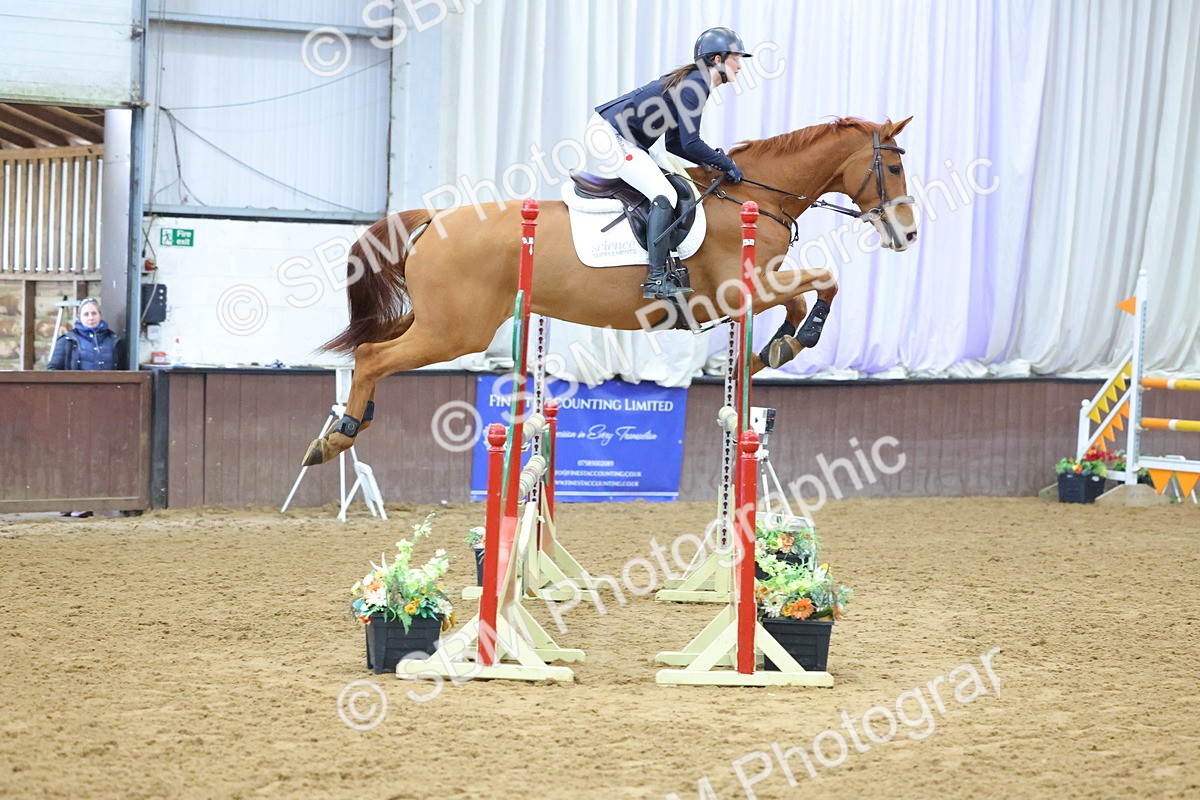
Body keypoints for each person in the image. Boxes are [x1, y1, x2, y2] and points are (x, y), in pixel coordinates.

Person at [588, 27, 750, 299]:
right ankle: (655, 278)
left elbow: (675, 144)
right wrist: (725, 163)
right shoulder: (696, 84)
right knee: (664, 194)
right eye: (737, 58)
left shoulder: (697, 82)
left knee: (680, 180)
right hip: (610, 135)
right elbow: (690, 143)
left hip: (626, 137)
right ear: (718, 59)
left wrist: (711, 163)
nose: (741, 66)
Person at [47, 297, 126, 371]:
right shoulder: (67, 341)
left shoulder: (114, 340)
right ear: (79, 317)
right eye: (86, 314)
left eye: (94, 313)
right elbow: (53, 371)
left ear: (100, 315)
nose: (90, 318)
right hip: (76, 385)